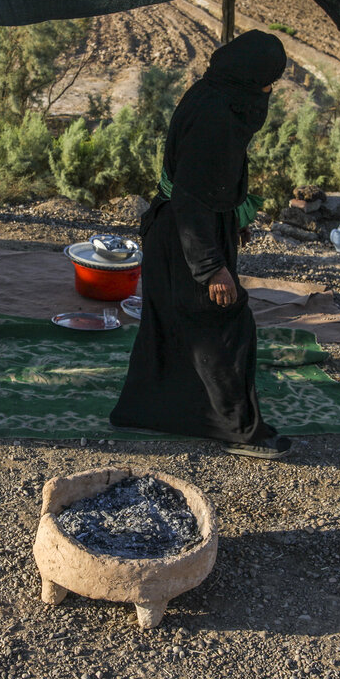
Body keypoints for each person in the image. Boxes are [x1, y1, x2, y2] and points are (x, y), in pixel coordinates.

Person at [110, 30, 291, 459]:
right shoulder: (218, 117)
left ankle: (149, 410)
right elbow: (191, 196)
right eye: (267, 82)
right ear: (249, 79)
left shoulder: (218, 95)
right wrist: (211, 268)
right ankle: (237, 429)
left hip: (189, 227)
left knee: (171, 325)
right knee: (225, 326)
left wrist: (234, 214)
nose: (268, 91)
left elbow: (214, 177)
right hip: (187, 235)